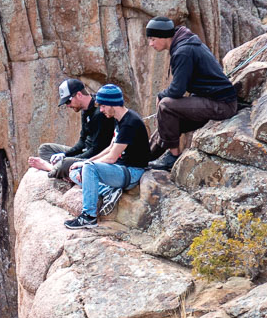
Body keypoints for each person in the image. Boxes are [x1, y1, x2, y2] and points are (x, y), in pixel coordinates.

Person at [143, 17, 239, 172]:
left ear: (163, 36)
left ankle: (172, 158)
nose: (151, 44)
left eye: (153, 39)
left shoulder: (183, 51)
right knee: (167, 121)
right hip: (208, 99)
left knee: (166, 106)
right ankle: (144, 157)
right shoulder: (185, 43)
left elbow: (177, 90)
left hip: (222, 105)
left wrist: (160, 96)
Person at [64, 84, 151, 230]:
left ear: (112, 104)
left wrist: (87, 165)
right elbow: (110, 148)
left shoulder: (130, 123)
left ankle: (89, 217)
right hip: (119, 169)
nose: (101, 109)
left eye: (103, 106)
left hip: (131, 172)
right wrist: (84, 162)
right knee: (75, 172)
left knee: (89, 170)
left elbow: (111, 158)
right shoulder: (119, 120)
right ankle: (108, 191)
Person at [28, 79, 115, 182]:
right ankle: (64, 170)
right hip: (85, 151)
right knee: (44, 149)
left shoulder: (100, 113)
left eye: (68, 101)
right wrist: (65, 154)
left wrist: (68, 160)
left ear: (79, 94)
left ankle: (50, 168)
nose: (68, 105)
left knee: (65, 163)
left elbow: (96, 150)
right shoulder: (85, 110)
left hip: (95, 157)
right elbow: (82, 140)